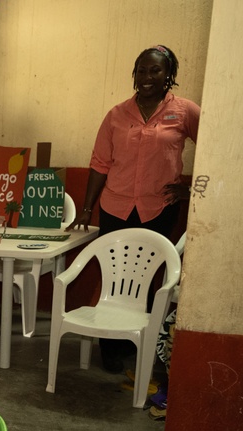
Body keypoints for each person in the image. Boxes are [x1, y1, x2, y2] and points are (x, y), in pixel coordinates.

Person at [68, 45, 199, 373]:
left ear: (169, 74)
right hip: (116, 207)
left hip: (159, 208)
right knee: (113, 277)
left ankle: (141, 341)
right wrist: (87, 208)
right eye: (141, 70)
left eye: (155, 70)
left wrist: (190, 189)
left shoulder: (183, 112)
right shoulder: (117, 114)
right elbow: (99, 163)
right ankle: (110, 347)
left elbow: (217, 148)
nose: (147, 77)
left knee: (151, 277)